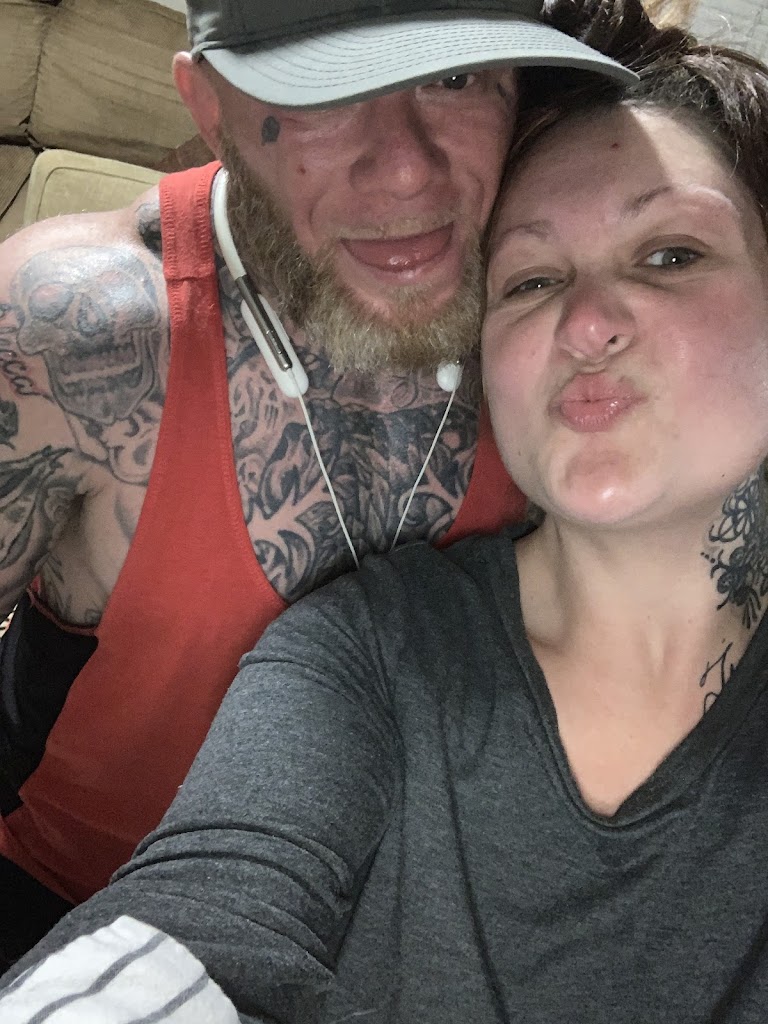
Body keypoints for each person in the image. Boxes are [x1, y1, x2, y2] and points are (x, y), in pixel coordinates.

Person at [3, 3, 766, 1021]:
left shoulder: (550, 337)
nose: (407, 170)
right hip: (62, 893)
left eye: (457, 79)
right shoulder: (76, 329)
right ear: (212, 107)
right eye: (323, 92)